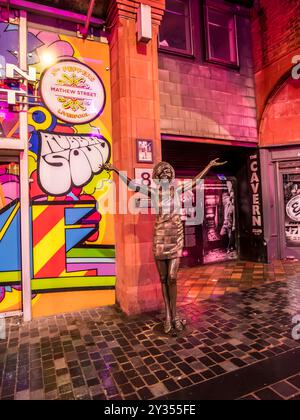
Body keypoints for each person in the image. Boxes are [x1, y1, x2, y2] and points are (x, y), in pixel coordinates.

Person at [101, 158, 226, 334]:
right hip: (160, 237)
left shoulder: (178, 190)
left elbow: (196, 180)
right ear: (158, 177)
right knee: (163, 279)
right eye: (163, 173)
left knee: (172, 276)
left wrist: (208, 166)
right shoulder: (152, 192)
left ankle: (174, 315)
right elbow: (131, 185)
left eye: (169, 172)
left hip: (176, 236)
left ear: (172, 176)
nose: (166, 174)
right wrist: (114, 169)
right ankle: (169, 315)